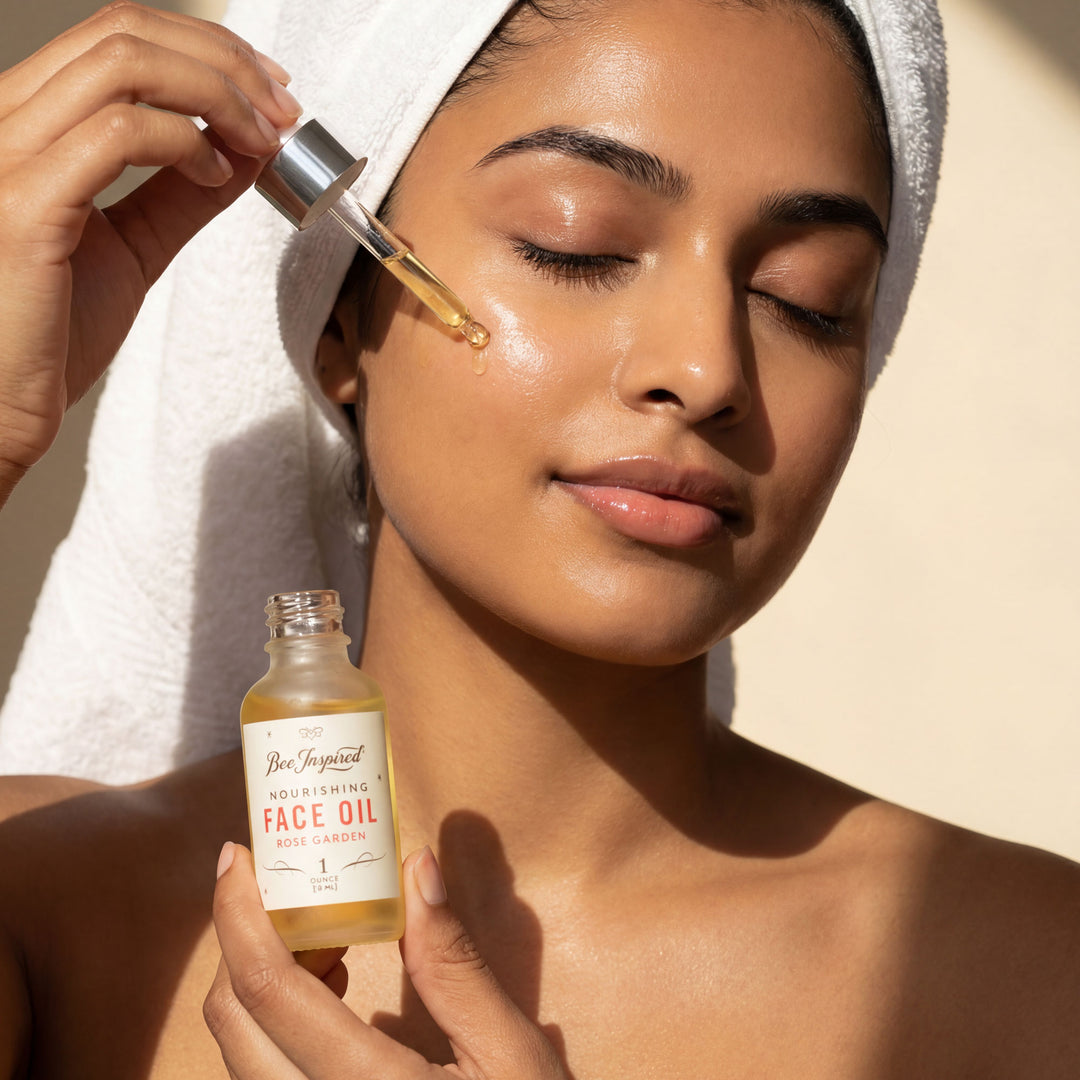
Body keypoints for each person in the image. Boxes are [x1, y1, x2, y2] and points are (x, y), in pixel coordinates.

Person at [0, 1, 1077, 1078]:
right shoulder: (44, 915)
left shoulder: (1031, 981)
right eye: (576, 243)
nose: (706, 370)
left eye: (807, 299)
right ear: (341, 321)